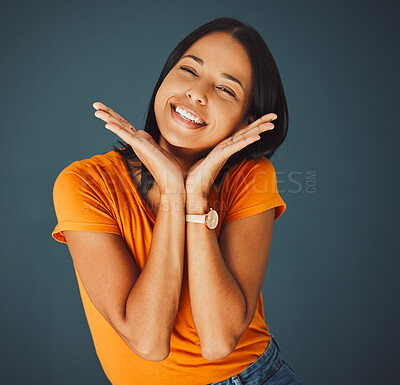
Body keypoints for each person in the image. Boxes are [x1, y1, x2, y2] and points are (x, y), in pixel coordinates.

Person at [51, 17, 302, 385]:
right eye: (188, 70)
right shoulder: (86, 183)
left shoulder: (251, 177)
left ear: (247, 121)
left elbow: (218, 341)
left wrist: (195, 198)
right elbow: (147, 341)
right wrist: (172, 192)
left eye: (226, 90)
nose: (197, 94)